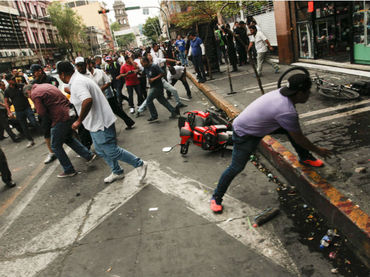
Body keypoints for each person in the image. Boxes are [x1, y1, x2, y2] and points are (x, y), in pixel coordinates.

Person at [210, 74, 332, 213]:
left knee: (290, 130)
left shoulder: (281, 93)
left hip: (255, 126)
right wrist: (318, 150)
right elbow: (299, 138)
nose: (309, 94)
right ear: (299, 93)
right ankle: (216, 197)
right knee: (236, 167)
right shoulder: (286, 111)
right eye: (308, 91)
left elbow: (294, 132)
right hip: (245, 134)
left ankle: (305, 157)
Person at [57, 61, 148, 184]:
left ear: (62, 74)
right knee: (100, 150)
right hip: (94, 122)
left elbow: (87, 100)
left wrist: (79, 120)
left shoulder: (78, 82)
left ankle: (140, 164)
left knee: (111, 150)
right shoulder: (78, 80)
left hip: (100, 122)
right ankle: (117, 171)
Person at [25, 83, 96, 178]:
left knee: (55, 146)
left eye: (28, 96)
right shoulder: (46, 85)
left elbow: (41, 112)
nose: (30, 97)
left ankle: (69, 169)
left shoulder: (35, 93)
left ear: (28, 92)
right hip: (69, 112)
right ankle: (88, 155)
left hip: (60, 118)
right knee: (67, 138)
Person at [86, 58, 135, 130]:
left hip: (108, 96)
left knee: (117, 110)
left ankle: (129, 122)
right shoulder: (85, 76)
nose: (86, 67)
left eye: (87, 64)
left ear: (91, 64)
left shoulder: (99, 72)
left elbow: (108, 82)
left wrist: (101, 89)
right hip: (97, 98)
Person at [30, 63, 59, 164]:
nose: (35, 74)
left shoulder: (51, 79)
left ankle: (82, 147)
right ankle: (51, 153)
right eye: (33, 73)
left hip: (55, 109)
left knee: (67, 129)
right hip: (44, 112)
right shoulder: (34, 83)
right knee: (46, 133)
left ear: (40, 71)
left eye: (35, 72)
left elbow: (55, 91)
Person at [4, 73, 37, 148]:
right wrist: (9, 111)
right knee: (24, 127)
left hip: (27, 108)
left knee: (34, 122)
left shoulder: (21, 86)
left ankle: (45, 135)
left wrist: (35, 104)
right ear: (8, 81)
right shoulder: (7, 91)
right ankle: (30, 140)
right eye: (12, 79)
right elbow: (6, 102)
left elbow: (30, 94)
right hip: (18, 111)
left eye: (14, 78)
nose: (14, 80)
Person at [141, 56, 177, 122]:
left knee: (149, 100)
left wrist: (154, 79)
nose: (141, 64)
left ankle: (154, 116)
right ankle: (173, 111)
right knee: (162, 100)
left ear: (146, 62)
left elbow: (162, 73)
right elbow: (142, 74)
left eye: (142, 63)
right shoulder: (145, 68)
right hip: (152, 86)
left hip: (157, 86)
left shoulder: (154, 66)